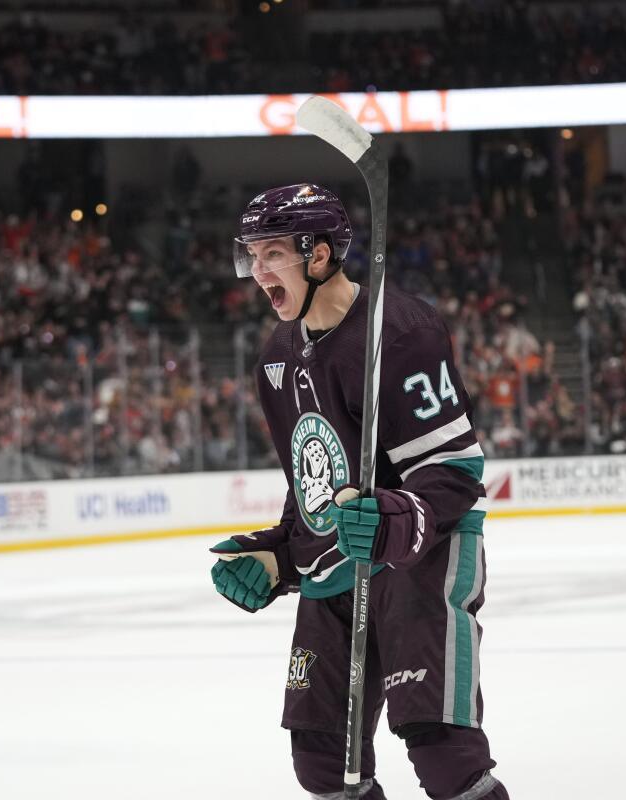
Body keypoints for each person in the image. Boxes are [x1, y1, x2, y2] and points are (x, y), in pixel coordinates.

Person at [209, 184, 507, 800]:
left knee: (442, 750)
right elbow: (312, 485)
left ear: (318, 256)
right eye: (251, 256)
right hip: (338, 567)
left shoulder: (400, 332)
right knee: (320, 760)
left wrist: (395, 518)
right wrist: (279, 555)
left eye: (271, 254)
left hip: (422, 555)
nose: (257, 271)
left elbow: (455, 468)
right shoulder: (276, 358)